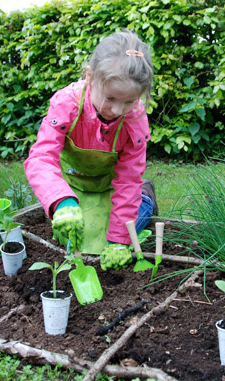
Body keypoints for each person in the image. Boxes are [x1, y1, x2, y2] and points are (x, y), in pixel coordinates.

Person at [24, 29, 158, 270]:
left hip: (112, 188)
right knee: (74, 236)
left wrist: (118, 240)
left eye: (129, 101)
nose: (118, 110)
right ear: (90, 76)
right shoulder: (67, 105)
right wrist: (61, 201)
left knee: (114, 238)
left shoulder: (135, 120)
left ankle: (146, 199)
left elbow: (128, 181)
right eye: (110, 98)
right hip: (73, 188)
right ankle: (74, 206)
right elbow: (41, 158)